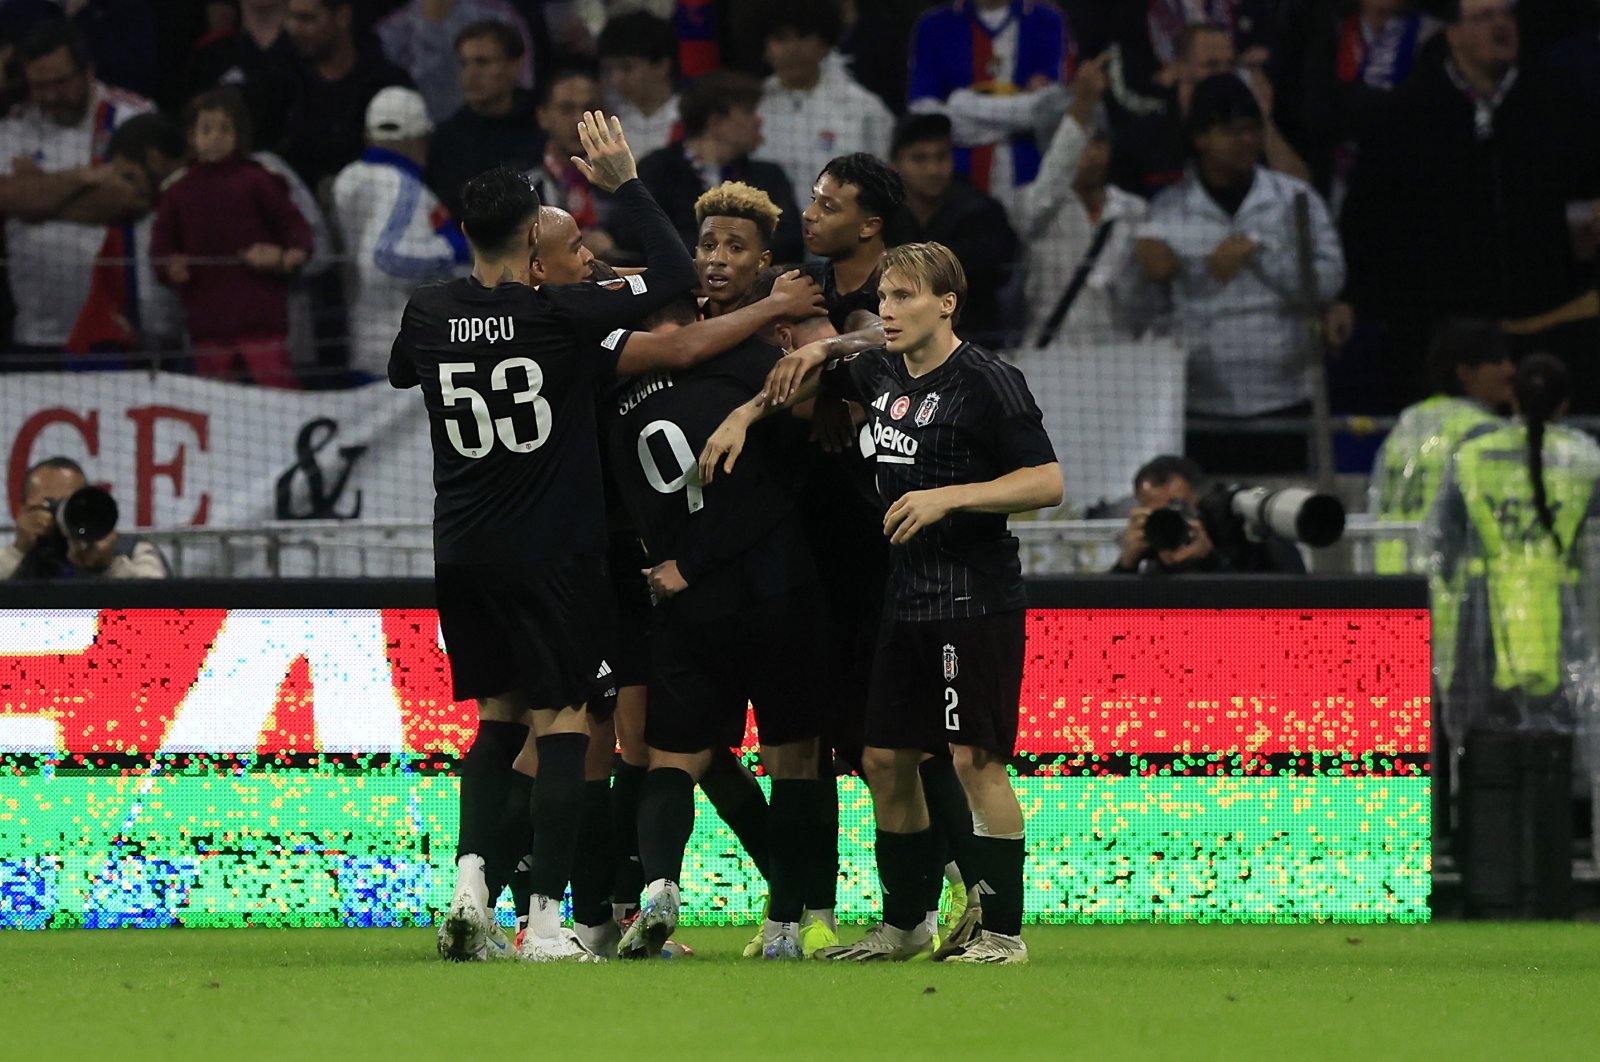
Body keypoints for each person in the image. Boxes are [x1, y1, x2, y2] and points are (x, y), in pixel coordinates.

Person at [388, 111, 698, 963]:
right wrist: (624, 183)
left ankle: (470, 888)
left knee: (494, 719)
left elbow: (405, 371)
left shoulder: (424, 314)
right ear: (534, 234)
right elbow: (676, 274)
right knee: (564, 724)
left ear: (458, 229)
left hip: (463, 550)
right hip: (553, 552)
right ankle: (549, 924)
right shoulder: (561, 314)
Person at [700, 242, 1064, 964]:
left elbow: (1047, 481)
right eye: (887, 297)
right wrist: (743, 414)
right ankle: (907, 924)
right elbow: (812, 371)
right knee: (886, 758)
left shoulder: (990, 382)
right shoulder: (882, 370)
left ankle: (1002, 934)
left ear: (947, 303)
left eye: (905, 297)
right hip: (906, 601)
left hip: (974, 598)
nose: (889, 310)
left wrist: (949, 497)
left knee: (975, 762)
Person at [603, 291, 830, 962]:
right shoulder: (740, 365)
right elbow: (784, 475)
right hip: (774, 586)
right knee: (792, 760)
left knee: (670, 759)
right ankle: (788, 924)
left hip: (679, 596)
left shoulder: (609, 403)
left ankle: (659, 888)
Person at [1341, 0, 1595, 409]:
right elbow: (1369, 227)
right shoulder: (1406, 115)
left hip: (1549, 331)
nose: (1501, 27)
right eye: (1484, 17)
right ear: (1452, 31)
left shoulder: (1558, 100)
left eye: (1508, 14)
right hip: (1448, 343)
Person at [1127, 74, 1344, 474]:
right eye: (1231, 131)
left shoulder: (1293, 198)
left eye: (1251, 129)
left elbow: (1329, 280)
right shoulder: (1167, 210)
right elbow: (1139, 306)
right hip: (1202, 401)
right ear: (1201, 139)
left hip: (1285, 395)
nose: (1245, 141)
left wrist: (1257, 251)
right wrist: (1142, 267)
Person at [1425, 353, 1600, 753]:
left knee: (1489, 747)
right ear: (1565, 405)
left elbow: (1441, 541)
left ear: (1513, 399)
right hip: (1560, 621)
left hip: (1485, 621)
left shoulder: (1472, 456)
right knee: (1555, 745)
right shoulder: (1585, 459)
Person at [0, 20, 150, 362]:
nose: (51, 96)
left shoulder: (131, 117)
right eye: (40, 86)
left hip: (116, 332)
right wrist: (87, 178)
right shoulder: (11, 126)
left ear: (88, 72)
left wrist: (36, 193)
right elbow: (6, 197)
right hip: (35, 334)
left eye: (61, 83)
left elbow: (131, 200)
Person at [151, 87, 314, 389]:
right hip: (207, 322)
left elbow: (292, 223)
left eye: (225, 129)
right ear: (191, 135)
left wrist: (291, 254)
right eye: (207, 129)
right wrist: (169, 266)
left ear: (239, 134)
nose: (215, 137)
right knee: (216, 398)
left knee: (277, 391)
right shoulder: (177, 192)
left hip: (260, 318)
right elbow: (161, 245)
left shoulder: (259, 180)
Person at [332, 86, 470, 380]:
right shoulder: (400, 185)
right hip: (401, 349)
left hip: (362, 342)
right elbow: (384, 259)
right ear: (419, 138)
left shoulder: (350, 177)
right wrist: (459, 249)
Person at [1020, 52, 1149, 345]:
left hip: (1123, 360)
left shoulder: (1134, 210)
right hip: (1049, 359)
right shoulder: (1034, 207)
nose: (1091, 154)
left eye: (1099, 141)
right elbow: (1048, 187)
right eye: (1083, 141)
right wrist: (1081, 106)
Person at [906, 0, 1073, 224]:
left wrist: (961, 104)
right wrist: (1020, 110)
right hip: (957, 185)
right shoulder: (933, 25)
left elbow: (1050, 110)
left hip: (1031, 180)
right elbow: (923, 114)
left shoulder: (1047, 21)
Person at [1368, 318, 1511, 576]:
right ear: (1465, 372)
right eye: (1498, 361)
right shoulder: (1485, 433)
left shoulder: (1408, 422)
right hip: (1447, 582)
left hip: (1389, 576)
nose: (1510, 370)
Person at [635, 70, 803, 264]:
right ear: (716, 122)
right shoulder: (658, 170)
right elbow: (644, 238)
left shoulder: (769, 177)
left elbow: (790, 243)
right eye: (749, 112)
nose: (759, 120)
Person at [883, 112, 1018, 347]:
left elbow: (998, 269)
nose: (934, 169)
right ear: (895, 165)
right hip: (898, 351)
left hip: (972, 349)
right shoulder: (881, 216)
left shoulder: (980, 212)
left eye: (941, 157)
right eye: (920, 159)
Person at [65, 113, 187, 362]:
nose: (125, 188)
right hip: (148, 362)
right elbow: (105, 298)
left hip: (212, 356)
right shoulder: (126, 223)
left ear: (155, 160)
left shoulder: (211, 205)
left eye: (130, 176)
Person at [753, 0, 895, 214]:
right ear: (765, 48)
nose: (792, 48)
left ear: (824, 43)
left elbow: (884, 189)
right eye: (780, 38)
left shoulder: (864, 109)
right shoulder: (752, 109)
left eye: (802, 36)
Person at [280, 0, 413, 194]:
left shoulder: (385, 86)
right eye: (291, 18)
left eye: (307, 19)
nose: (295, 29)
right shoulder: (284, 84)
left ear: (342, 17)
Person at [1111, 454, 1307, 575]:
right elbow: (1098, 628)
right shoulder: (1150, 547)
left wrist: (1210, 559)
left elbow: (1284, 601)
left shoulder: (1239, 534)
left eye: (1179, 507)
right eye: (1158, 513)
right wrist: (1126, 564)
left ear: (1199, 499)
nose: (1172, 519)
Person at [426, 19, 542, 217]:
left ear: (515, 66)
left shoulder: (543, 120)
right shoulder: (447, 140)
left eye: (482, 62)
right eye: (464, 63)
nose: (470, 75)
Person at [1, 457, 169, 580]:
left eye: (68, 503)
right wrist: (19, 552)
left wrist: (109, 566)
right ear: (23, 510)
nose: (60, 513)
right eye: (49, 504)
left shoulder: (133, 551)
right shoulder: (8, 557)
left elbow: (162, 613)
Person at [375, 0, 533, 123]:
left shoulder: (501, 17)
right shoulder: (390, 33)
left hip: (505, 135)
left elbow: (523, 88)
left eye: (482, 62)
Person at [800, 152, 905, 330]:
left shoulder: (906, 291)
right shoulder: (801, 285)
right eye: (813, 200)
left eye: (828, 207)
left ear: (868, 227)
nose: (808, 214)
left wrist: (825, 347)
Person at [529, 66, 617, 258]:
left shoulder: (627, 183)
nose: (579, 120)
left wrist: (616, 243)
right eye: (566, 109)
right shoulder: (524, 186)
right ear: (543, 116)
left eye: (590, 109)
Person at [596, 10, 681, 158]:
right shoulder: (608, 128)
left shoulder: (691, 119)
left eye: (627, 68)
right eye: (609, 69)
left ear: (662, 66)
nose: (616, 79)